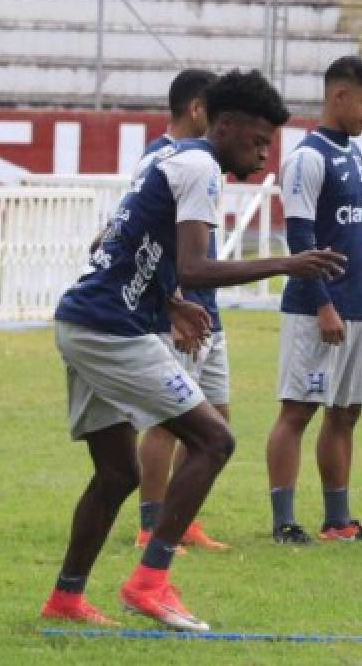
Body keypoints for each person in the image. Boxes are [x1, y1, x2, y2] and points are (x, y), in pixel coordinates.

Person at [40, 70, 346, 631]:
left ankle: (65, 599)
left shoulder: (167, 159)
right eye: (257, 142)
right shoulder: (200, 167)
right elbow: (196, 265)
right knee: (215, 440)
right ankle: (150, 581)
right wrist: (288, 263)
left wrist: (172, 300)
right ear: (224, 125)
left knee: (115, 473)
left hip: (82, 319)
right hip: (111, 329)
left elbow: (112, 241)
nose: (262, 157)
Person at [266, 56, 362, 544]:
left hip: (355, 306)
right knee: (298, 410)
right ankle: (283, 522)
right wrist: (323, 304)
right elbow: (300, 238)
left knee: (345, 411)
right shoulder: (307, 157)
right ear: (339, 97)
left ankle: (338, 521)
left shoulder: (356, 154)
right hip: (317, 308)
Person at [132, 69, 232, 553]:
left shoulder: (199, 160)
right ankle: (151, 524)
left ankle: (182, 519)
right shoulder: (164, 158)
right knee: (170, 420)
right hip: (178, 310)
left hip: (208, 309)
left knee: (217, 416)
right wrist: (172, 305)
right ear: (197, 109)